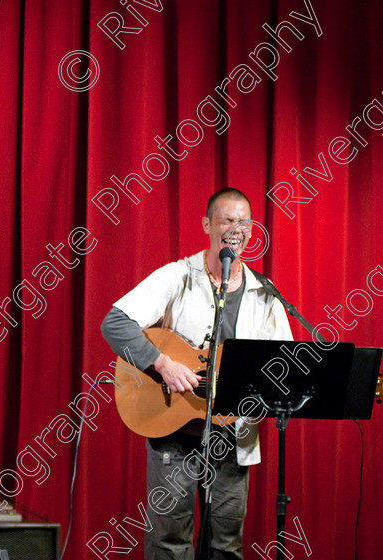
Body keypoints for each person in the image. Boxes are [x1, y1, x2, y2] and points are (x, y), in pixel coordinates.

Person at [101, 188, 292, 559]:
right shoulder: (177, 276)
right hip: (174, 434)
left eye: (243, 222)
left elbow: (282, 366)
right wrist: (162, 363)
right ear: (207, 225)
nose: (236, 229)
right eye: (226, 220)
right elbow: (115, 322)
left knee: (226, 547)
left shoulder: (265, 295)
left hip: (233, 442)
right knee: (169, 545)